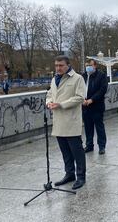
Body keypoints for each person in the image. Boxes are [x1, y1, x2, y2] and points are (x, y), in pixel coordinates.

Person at [46, 55, 86, 190]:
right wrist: (49, 103)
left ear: (68, 65)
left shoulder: (77, 78)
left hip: (71, 120)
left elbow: (80, 97)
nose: (58, 68)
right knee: (65, 151)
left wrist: (61, 104)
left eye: (61, 65)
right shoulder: (54, 79)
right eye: (56, 65)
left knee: (77, 151)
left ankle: (81, 177)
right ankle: (69, 174)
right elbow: (50, 94)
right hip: (58, 121)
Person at [82, 59, 108, 154]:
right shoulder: (83, 76)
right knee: (88, 127)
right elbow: (79, 89)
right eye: (86, 65)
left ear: (95, 66)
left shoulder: (101, 76)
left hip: (97, 106)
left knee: (99, 127)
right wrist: (82, 99)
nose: (88, 67)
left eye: (90, 65)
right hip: (85, 106)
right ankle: (89, 146)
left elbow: (102, 90)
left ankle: (101, 146)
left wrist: (92, 99)